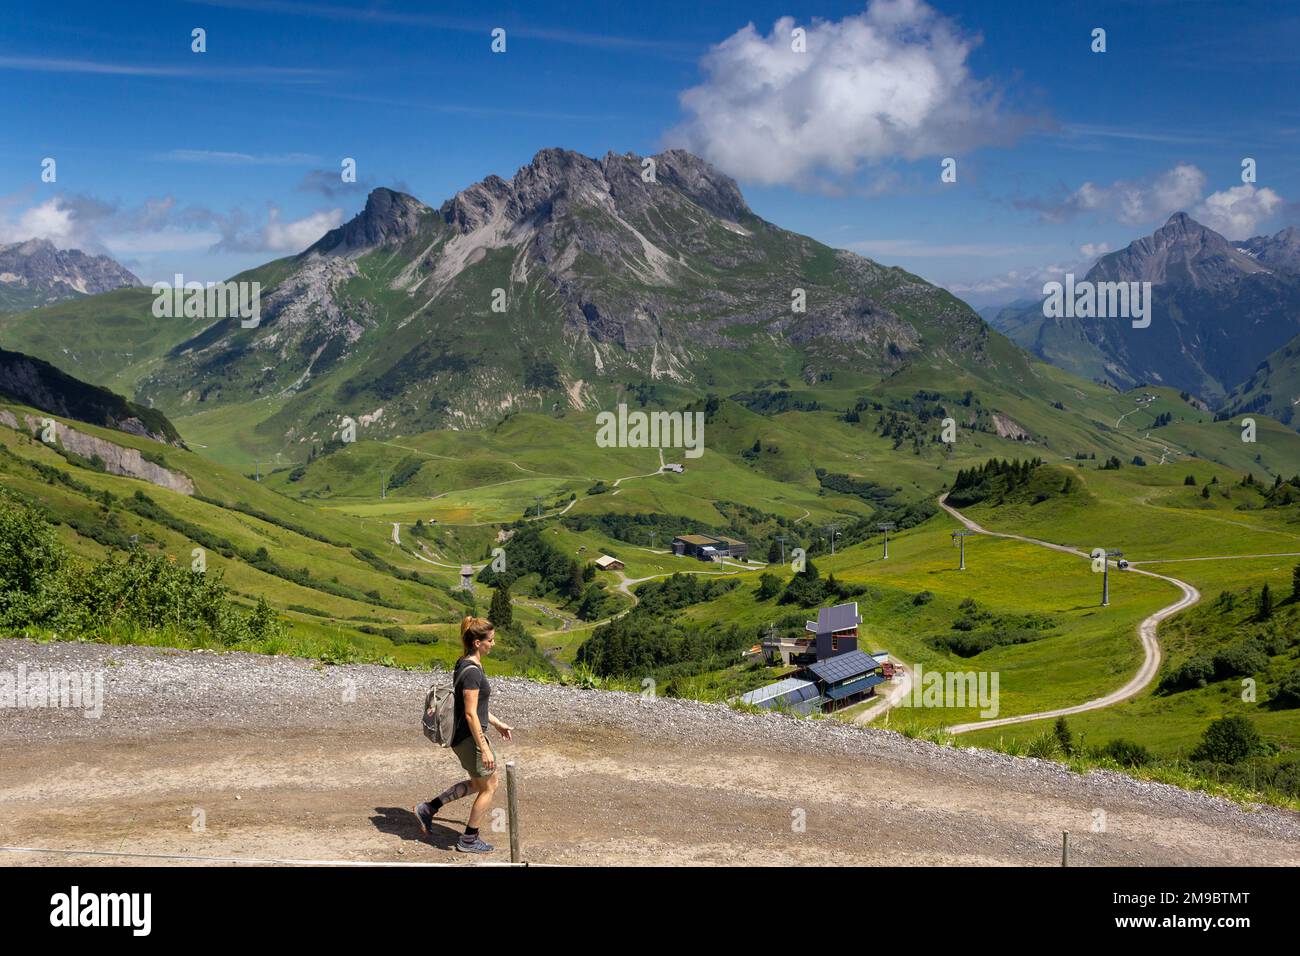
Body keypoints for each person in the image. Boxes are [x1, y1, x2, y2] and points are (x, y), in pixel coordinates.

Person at [413, 616, 513, 853]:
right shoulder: (472, 672)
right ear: (478, 642)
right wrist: (485, 747)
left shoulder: (466, 662)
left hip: (463, 737)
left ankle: (428, 808)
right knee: (490, 785)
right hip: (469, 738)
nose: (493, 644)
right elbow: (470, 714)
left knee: (479, 783)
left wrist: (497, 723)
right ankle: (468, 839)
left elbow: (476, 707)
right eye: (490, 640)